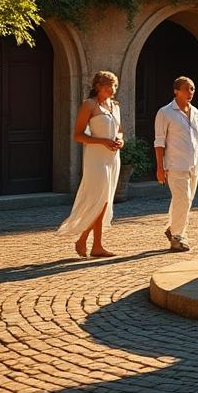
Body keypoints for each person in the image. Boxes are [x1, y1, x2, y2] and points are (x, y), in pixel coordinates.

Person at [57, 71, 124, 258]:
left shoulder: (115, 106)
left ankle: (94, 245)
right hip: (96, 158)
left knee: (106, 200)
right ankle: (86, 241)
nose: (113, 89)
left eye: (115, 86)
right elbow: (78, 135)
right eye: (109, 85)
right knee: (99, 199)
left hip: (113, 158)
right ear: (98, 87)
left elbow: (119, 131)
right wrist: (103, 141)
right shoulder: (89, 105)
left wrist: (120, 141)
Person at [153, 76, 198, 252]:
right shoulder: (165, 112)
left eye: (193, 89)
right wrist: (159, 167)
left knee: (185, 200)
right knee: (183, 199)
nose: (191, 92)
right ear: (176, 91)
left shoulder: (196, 113)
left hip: (194, 165)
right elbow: (159, 142)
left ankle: (172, 228)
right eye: (187, 89)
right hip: (175, 164)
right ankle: (178, 237)